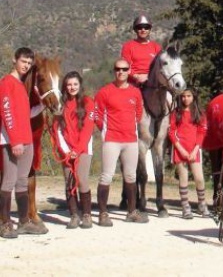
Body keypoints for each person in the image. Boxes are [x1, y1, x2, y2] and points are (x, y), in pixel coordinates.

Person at [0, 47, 47, 238]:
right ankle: (4, 223)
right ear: (14, 60)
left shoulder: (21, 85)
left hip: (27, 140)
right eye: (23, 62)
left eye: (29, 63)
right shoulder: (6, 83)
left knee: (21, 182)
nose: (25, 66)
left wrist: (42, 104)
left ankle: (23, 222)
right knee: (9, 181)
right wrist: (15, 141)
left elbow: (24, 114)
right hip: (13, 141)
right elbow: (7, 113)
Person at [94, 58, 147, 226]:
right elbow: (97, 114)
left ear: (129, 71)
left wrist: (130, 128)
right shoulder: (105, 92)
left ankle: (131, 212)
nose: (121, 72)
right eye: (118, 69)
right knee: (106, 176)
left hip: (131, 140)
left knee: (130, 176)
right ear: (114, 70)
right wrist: (106, 130)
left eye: (124, 69)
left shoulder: (135, 93)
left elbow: (138, 114)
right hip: (111, 140)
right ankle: (103, 214)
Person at [52, 71, 95, 229]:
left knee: (82, 180)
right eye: (69, 84)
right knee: (69, 182)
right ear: (65, 86)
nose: (72, 87)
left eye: (75, 84)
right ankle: (74, 215)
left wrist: (77, 149)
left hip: (83, 149)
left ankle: (87, 215)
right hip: (66, 150)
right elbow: (56, 129)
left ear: (80, 85)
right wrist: (65, 150)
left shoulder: (88, 102)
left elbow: (88, 129)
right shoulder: (60, 105)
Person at [168, 88, 210, 219]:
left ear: (194, 97)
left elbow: (202, 132)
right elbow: (171, 132)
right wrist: (180, 149)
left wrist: (195, 149)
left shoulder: (199, 113)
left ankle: (202, 204)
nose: (186, 99)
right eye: (183, 96)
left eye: (189, 96)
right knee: (183, 178)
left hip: (194, 150)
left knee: (199, 178)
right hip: (180, 149)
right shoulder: (176, 113)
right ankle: (185, 206)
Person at [120, 14, 162, 87]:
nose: (143, 30)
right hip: (134, 83)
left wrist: (149, 76)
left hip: (153, 83)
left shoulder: (156, 47)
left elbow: (161, 66)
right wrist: (137, 76)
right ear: (135, 29)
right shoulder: (128, 46)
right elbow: (125, 66)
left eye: (146, 27)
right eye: (140, 27)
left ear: (150, 29)